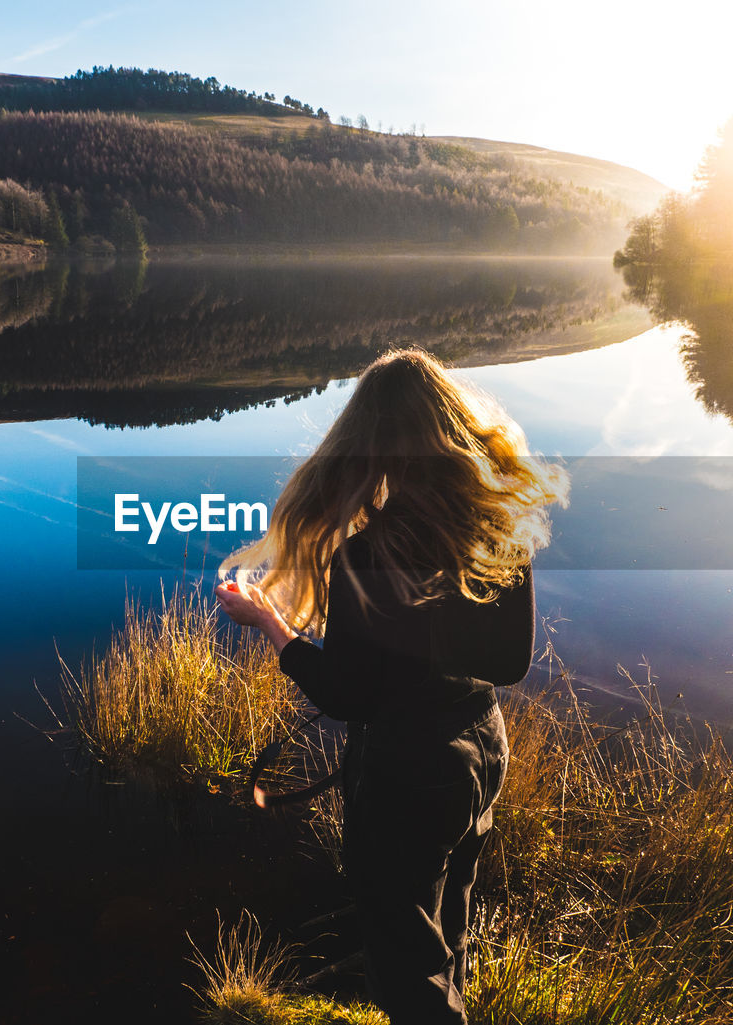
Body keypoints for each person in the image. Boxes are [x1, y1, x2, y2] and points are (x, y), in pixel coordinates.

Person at [213, 347, 568, 1025]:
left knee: (406, 969)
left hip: (410, 772)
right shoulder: (498, 531)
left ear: (368, 442)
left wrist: (272, 624)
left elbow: (345, 693)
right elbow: (510, 664)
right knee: (447, 935)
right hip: (483, 754)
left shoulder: (367, 554)